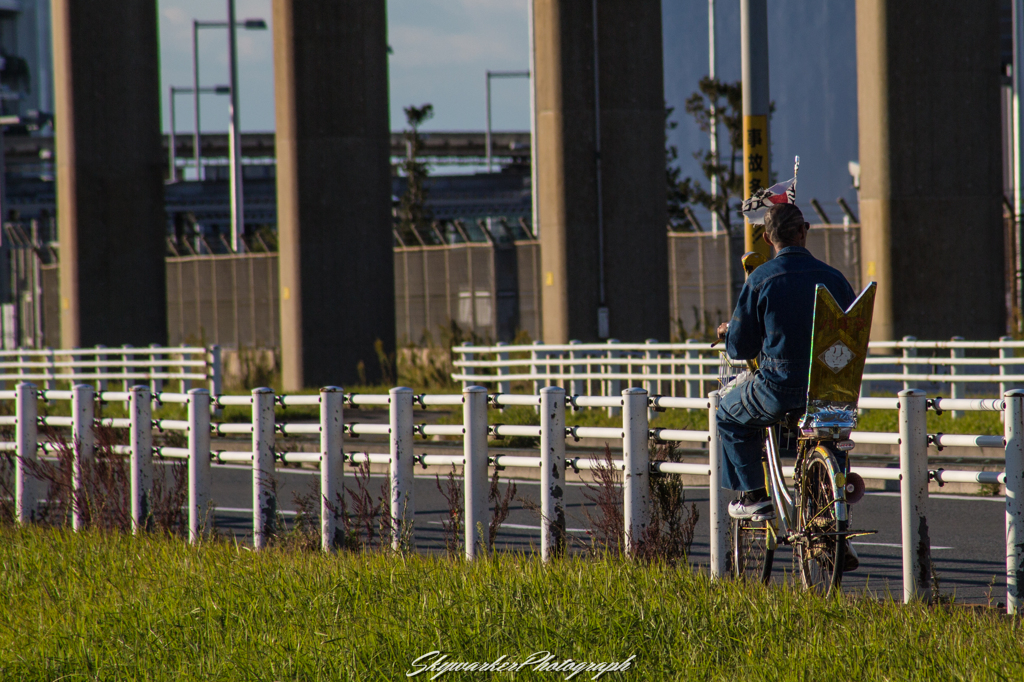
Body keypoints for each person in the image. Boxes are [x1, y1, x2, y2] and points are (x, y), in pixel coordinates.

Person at [716, 203, 855, 521]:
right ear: (804, 231)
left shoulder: (761, 279)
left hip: (780, 387)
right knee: (828, 438)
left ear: (767, 238)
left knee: (727, 414)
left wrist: (729, 333)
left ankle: (753, 496)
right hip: (831, 388)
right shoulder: (834, 278)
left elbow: (739, 348)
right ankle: (833, 524)